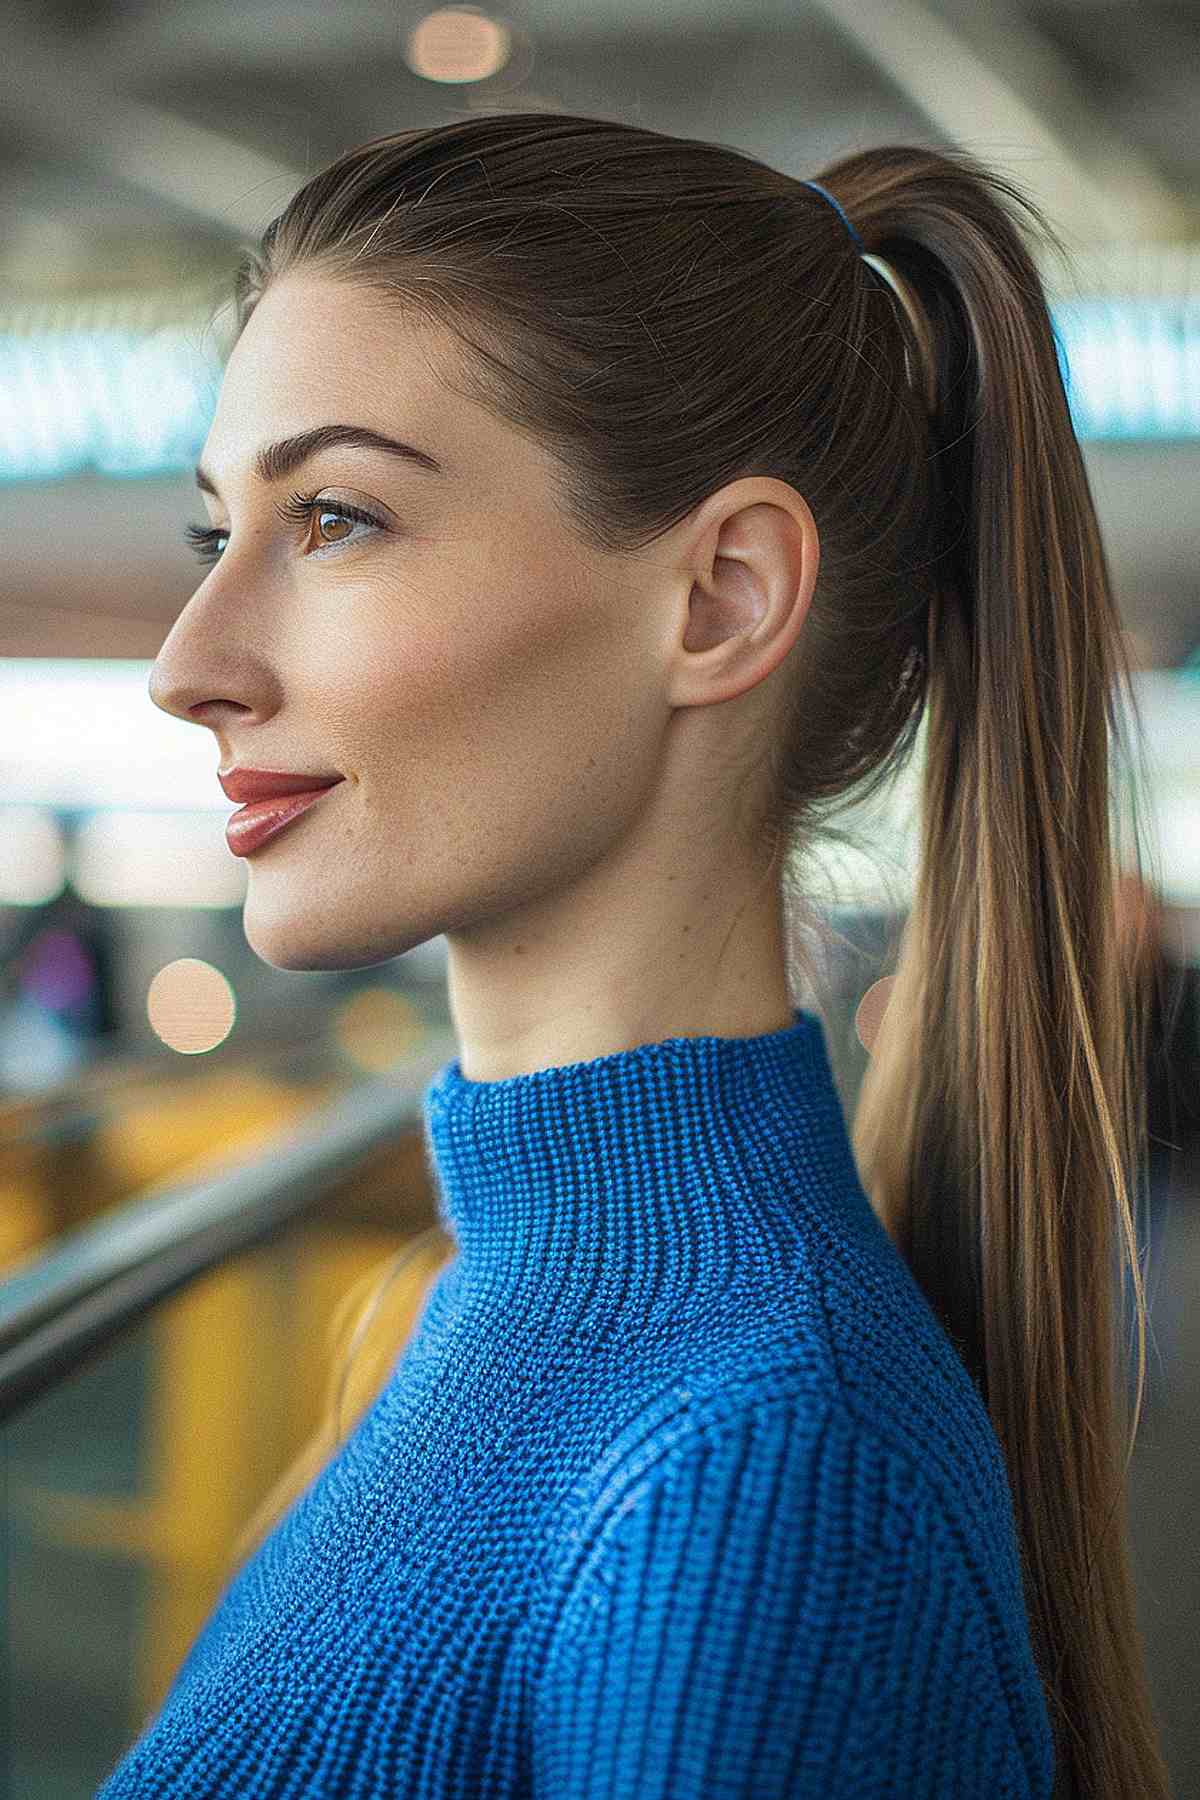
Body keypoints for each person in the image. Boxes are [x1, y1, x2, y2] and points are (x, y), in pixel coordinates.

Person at [102, 114, 1169, 1797]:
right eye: (209, 535)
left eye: (337, 518)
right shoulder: (517, 1306)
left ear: (724, 599)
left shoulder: (760, 1481)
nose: (190, 663)